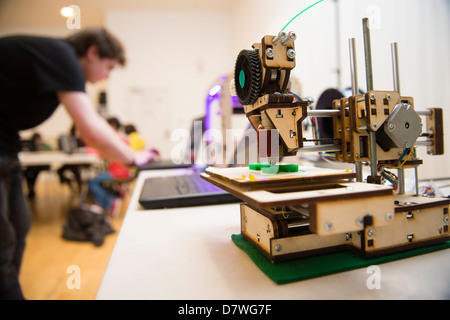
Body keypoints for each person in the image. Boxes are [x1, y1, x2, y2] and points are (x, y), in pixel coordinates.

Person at [0, 28, 155, 299]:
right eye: (108, 67)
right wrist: (134, 158)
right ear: (92, 52)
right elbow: (91, 130)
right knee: (3, 242)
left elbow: (92, 125)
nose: (107, 76)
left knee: (19, 225)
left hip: (6, 145)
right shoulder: (64, 56)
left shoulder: (57, 60)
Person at [88, 117, 134, 216]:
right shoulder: (124, 138)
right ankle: (110, 201)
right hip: (127, 171)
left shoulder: (113, 139)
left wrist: (89, 150)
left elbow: (101, 153)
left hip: (117, 172)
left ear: (112, 126)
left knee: (92, 182)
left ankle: (109, 202)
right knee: (98, 179)